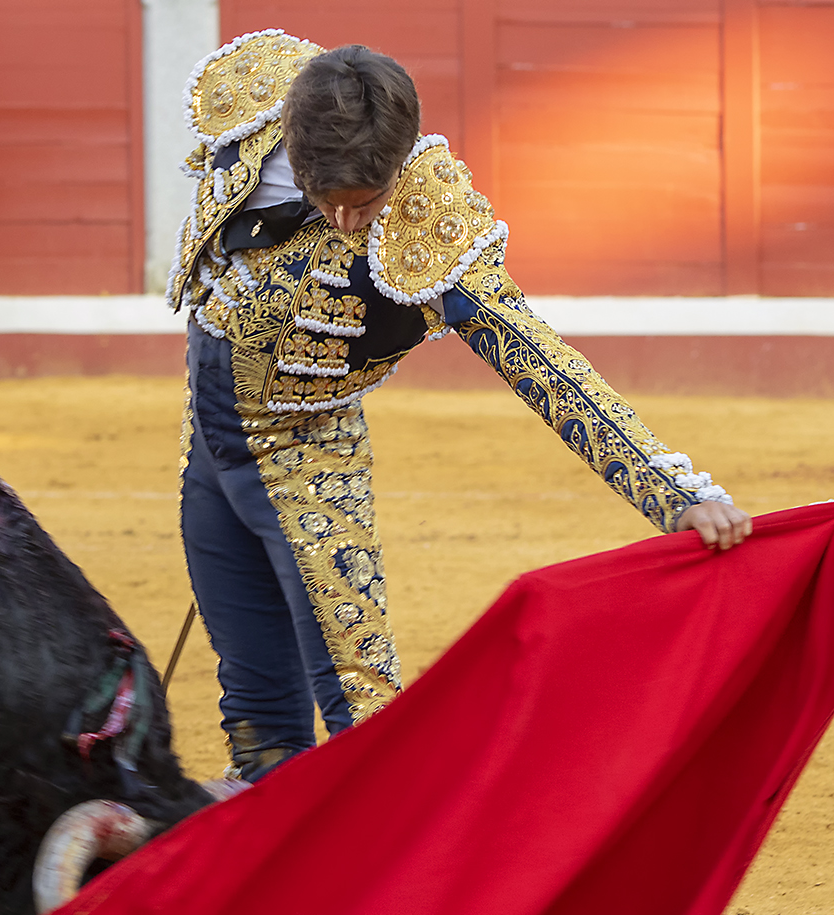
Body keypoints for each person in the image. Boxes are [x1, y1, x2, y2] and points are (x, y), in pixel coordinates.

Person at [170, 32, 750, 786]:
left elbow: (540, 359)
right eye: (329, 199)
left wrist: (674, 493)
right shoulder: (254, 99)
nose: (349, 222)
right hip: (210, 444)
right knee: (256, 710)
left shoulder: (433, 219)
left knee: (362, 707)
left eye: (367, 202)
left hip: (301, 458)